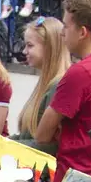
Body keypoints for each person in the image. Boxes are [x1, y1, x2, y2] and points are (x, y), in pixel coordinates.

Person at [35, 0, 91, 182]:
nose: (62, 33)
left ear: (82, 32)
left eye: (66, 26)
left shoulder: (79, 72)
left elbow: (42, 135)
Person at [13, 16, 67, 154]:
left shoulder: (59, 86)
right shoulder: (46, 84)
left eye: (30, 45)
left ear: (49, 48)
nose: (24, 51)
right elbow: (27, 136)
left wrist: (5, 145)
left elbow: (49, 144)